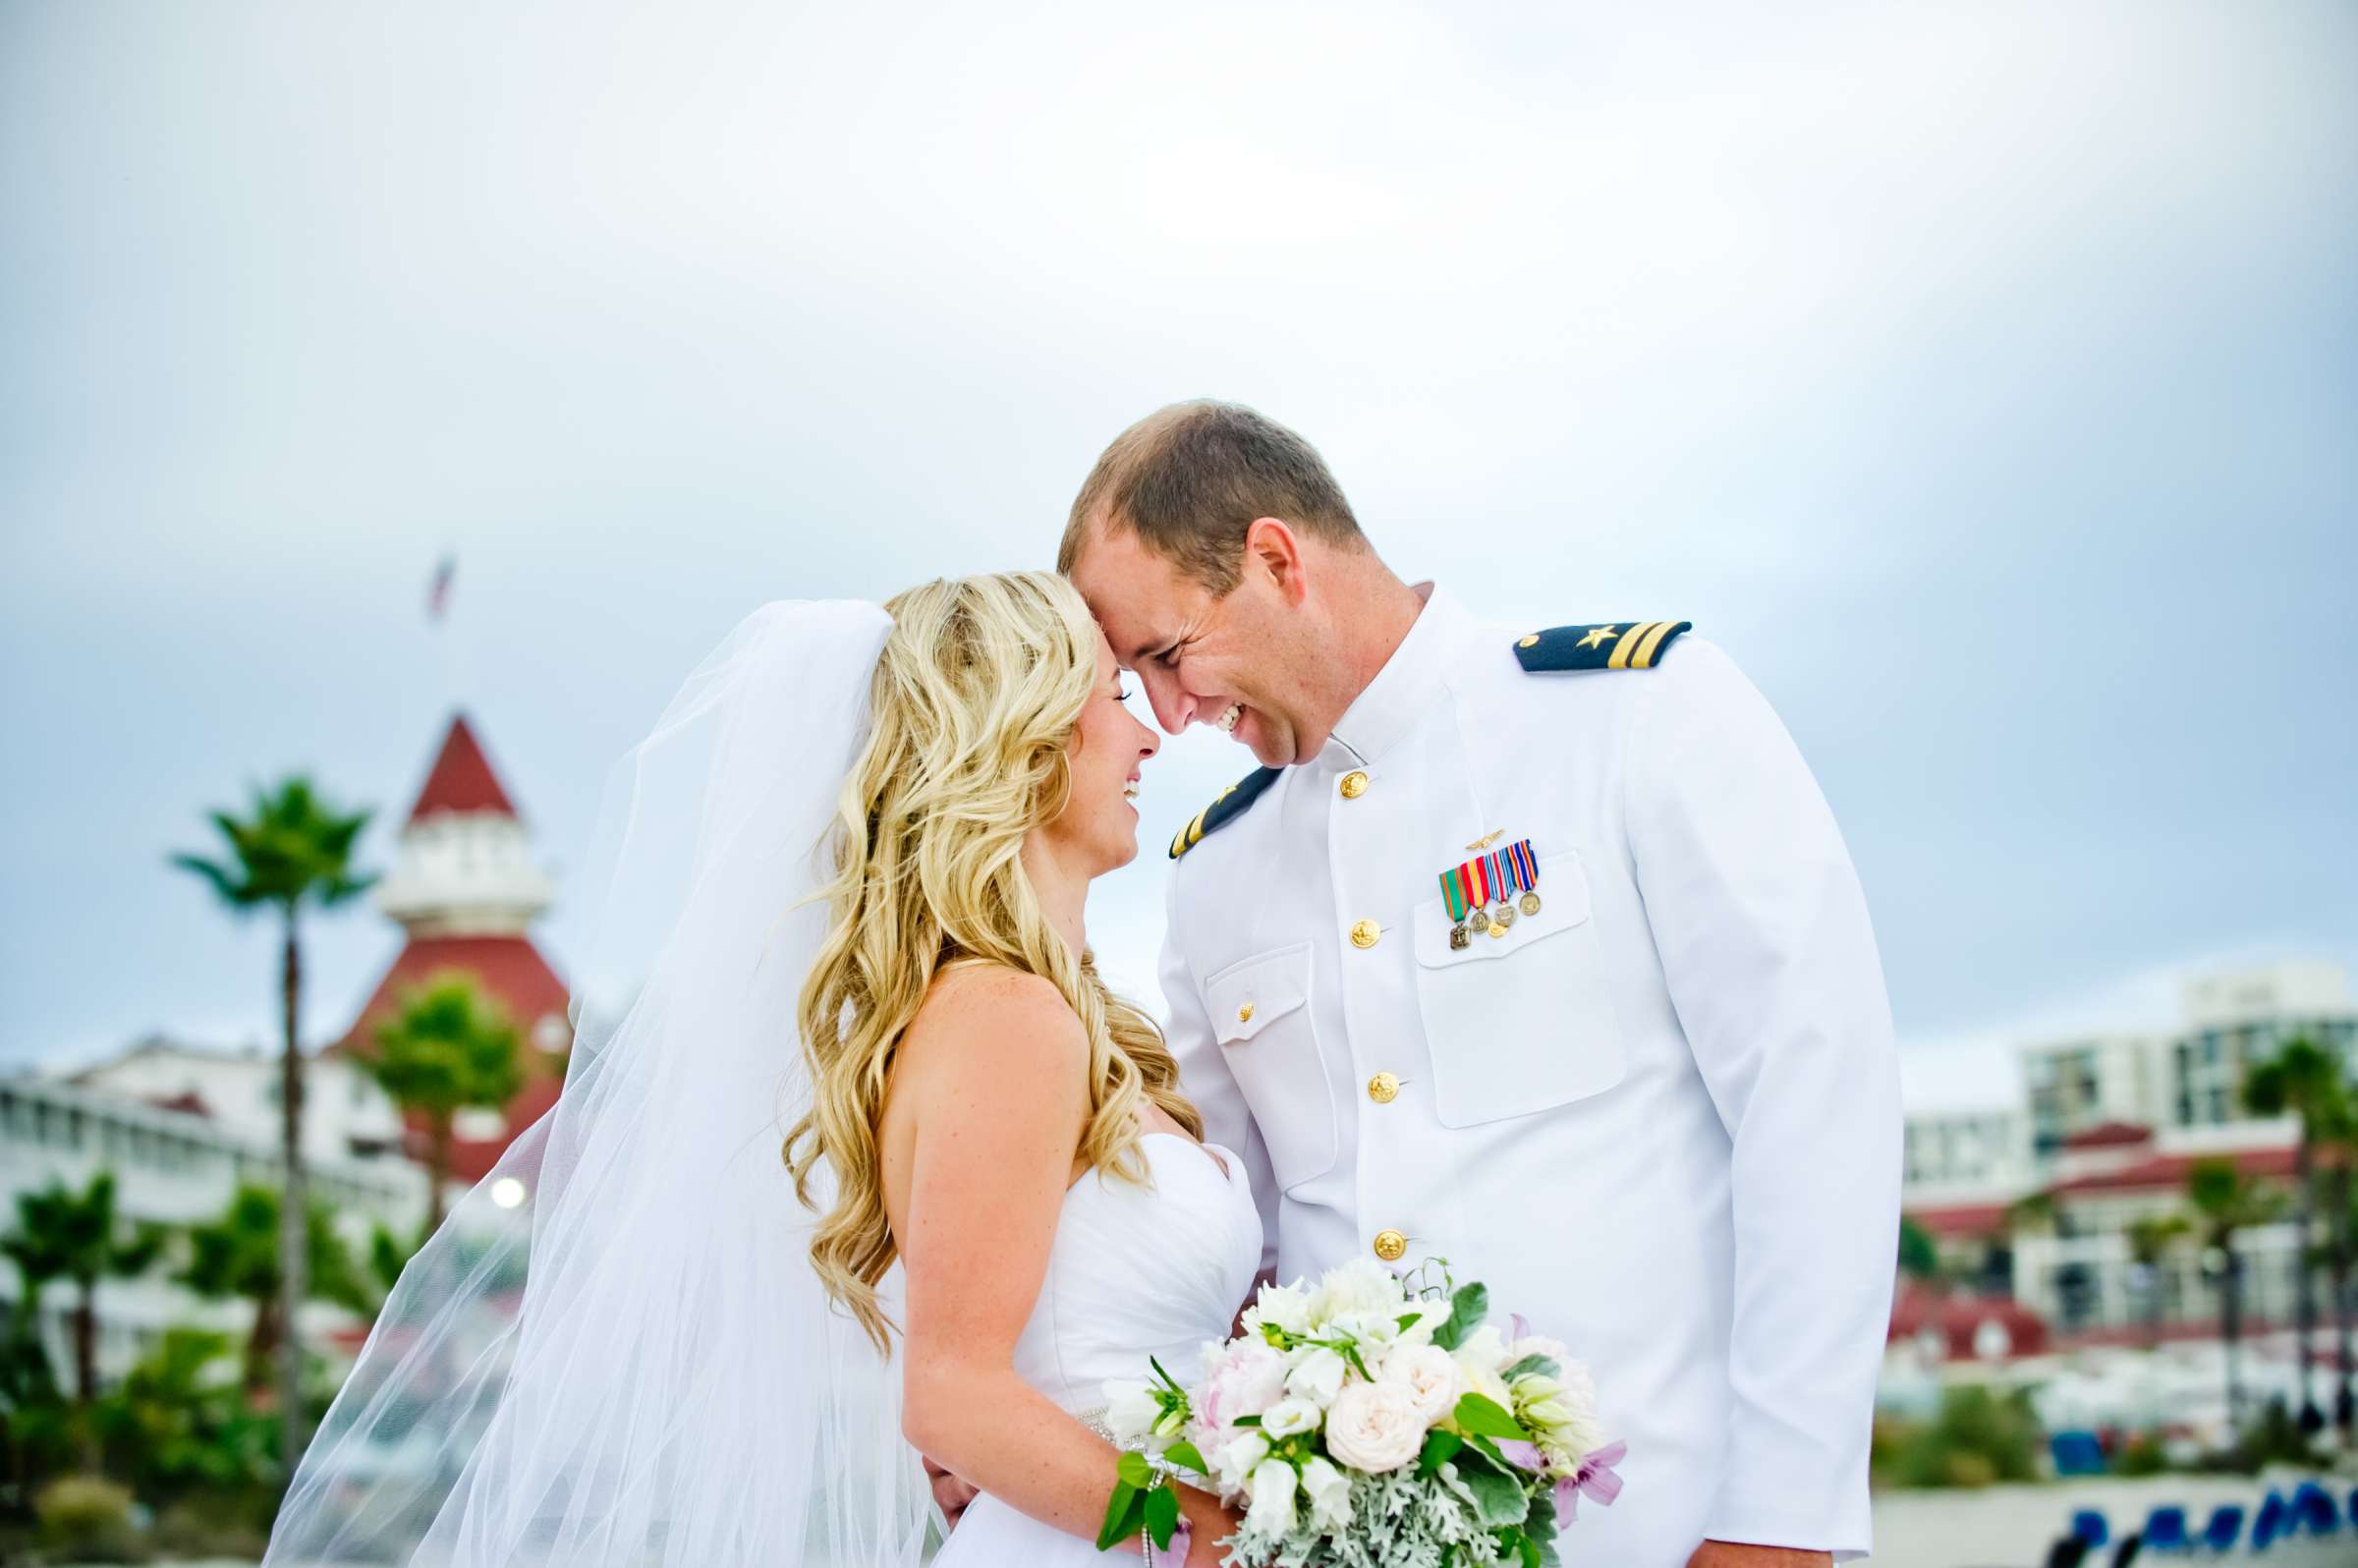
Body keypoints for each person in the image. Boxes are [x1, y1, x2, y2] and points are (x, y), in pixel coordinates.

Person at [1053, 401, 1903, 1567]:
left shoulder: (1638, 717)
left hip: (1667, 1530)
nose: (1168, 715)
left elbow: (1817, 1109)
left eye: (1166, 654)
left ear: (1275, 561)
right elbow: (1215, 1239)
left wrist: (1784, 1519)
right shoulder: (1217, 874)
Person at [265, 574, 1250, 1567]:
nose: (1148, 740)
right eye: (1115, 703)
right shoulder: (1007, 1017)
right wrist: (1210, 1538)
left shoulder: (1053, 1018)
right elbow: (954, 1395)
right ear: (1021, 738)